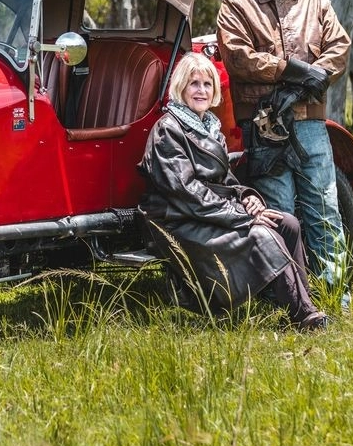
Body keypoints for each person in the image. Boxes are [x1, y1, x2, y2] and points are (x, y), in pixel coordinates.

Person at [138, 52, 326, 329]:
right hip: (178, 219)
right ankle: (302, 316)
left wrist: (246, 197)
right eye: (193, 84)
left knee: (287, 223)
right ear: (181, 87)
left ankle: (301, 300)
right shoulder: (169, 130)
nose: (201, 90)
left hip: (208, 210)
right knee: (262, 234)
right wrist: (244, 218)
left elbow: (225, 181)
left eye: (207, 84)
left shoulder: (209, 127)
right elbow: (186, 192)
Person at [215, 0, 351, 303]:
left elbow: (339, 46)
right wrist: (294, 71)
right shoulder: (235, 5)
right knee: (278, 213)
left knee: (324, 208)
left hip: (309, 124)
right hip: (263, 126)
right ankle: (290, 300)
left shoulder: (317, 3)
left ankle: (335, 294)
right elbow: (238, 57)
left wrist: (317, 73)